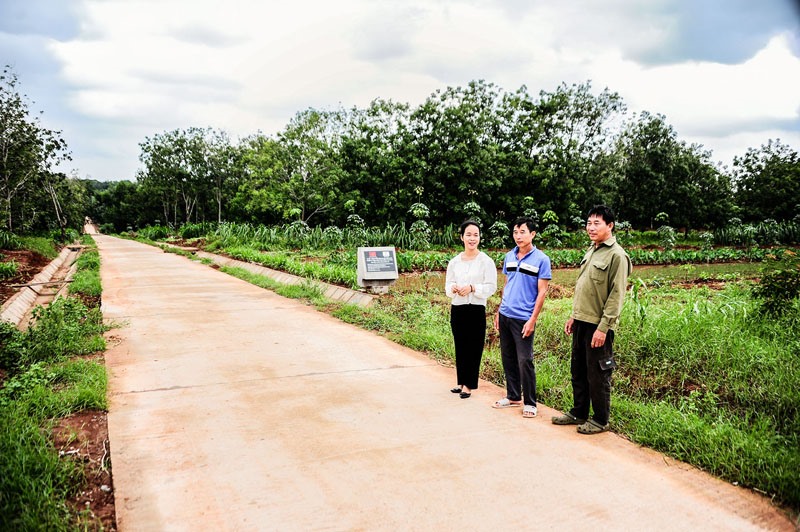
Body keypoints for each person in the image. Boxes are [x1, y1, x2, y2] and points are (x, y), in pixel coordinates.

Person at [552, 205, 632, 434]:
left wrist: (603, 328)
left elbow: (616, 295)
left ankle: (600, 419)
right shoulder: (592, 250)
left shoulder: (617, 255)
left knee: (598, 374)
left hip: (598, 325)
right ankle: (579, 412)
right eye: (588, 223)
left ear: (610, 225)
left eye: (597, 223)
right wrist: (573, 317)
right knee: (578, 370)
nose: (591, 227)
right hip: (581, 321)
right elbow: (585, 288)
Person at [492, 217, 551, 418]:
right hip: (506, 313)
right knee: (508, 357)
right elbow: (507, 284)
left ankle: (530, 402)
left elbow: (542, 292)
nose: (518, 236)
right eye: (515, 232)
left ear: (532, 234)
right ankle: (514, 395)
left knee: (525, 360)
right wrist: (499, 310)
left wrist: (532, 319)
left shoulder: (542, 259)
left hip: (524, 317)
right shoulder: (509, 256)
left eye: (523, 232)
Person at [445, 220, 498, 398]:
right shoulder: (454, 262)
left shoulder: (486, 261)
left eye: (475, 235)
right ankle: (461, 382)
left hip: (476, 309)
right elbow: (448, 284)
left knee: (474, 347)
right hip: (458, 308)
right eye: (468, 234)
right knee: (460, 345)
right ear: (462, 237)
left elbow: (491, 287)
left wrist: (473, 288)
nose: (472, 238)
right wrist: (453, 288)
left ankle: (469, 385)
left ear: (480, 238)